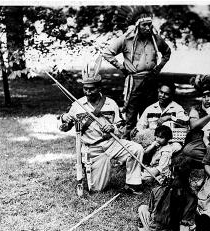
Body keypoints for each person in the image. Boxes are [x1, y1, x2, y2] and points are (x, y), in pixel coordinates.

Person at [58, 56, 144, 194]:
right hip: (93, 149)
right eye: (85, 89)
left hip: (111, 143)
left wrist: (113, 127)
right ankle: (93, 170)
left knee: (136, 149)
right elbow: (65, 126)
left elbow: (121, 125)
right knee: (97, 189)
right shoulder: (77, 105)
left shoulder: (111, 103)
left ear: (99, 88)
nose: (87, 92)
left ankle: (132, 184)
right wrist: (64, 121)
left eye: (91, 89)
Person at [103, 7, 171, 139]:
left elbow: (167, 53)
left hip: (151, 81)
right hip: (134, 82)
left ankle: (147, 146)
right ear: (137, 25)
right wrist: (122, 68)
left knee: (151, 116)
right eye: (144, 25)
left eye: (149, 24)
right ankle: (127, 150)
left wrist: (158, 67)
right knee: (131, 117)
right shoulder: (126, 39)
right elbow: (107, 53)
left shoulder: (156, 39)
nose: (147, 27)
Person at [138, 156, 197, 231]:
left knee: (142, 208)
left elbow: (151, 211)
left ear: (171, 171)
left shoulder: (157, 189)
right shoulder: (191, 195)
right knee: (192, 226)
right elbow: (184, 225)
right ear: (188, 173)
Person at [135, 83, 189, 153]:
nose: (162, 96)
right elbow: (140, 126)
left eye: (166, 94)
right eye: (161, 92)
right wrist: (138, 132)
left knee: (175, 147)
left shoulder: (177, 108)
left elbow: (186, 123)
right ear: (158, 91)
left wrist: (170, 117)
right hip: (153, 141)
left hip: (171, 142)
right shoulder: (150, 109)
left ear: (171, 95)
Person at [181, 86, 210, 168]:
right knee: (188, 150)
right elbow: (193, 126)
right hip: (201, 143)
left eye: (209, 96)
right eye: (203, 97)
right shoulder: (196, 109)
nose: (206, 99)